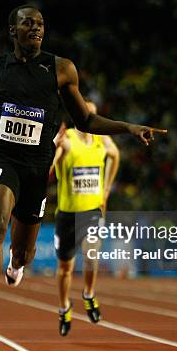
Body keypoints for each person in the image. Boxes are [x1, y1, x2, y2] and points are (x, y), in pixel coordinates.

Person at [0, 4, 166, 348]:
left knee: (24, 252)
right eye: (28, 23)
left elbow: (85, 121)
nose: (36, 28)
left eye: (41, 23)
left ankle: (16, 264)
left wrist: (128, 127)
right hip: (2, 157)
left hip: (36, 168)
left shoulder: (60, 69)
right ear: (12, 31)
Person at [50, 101, 120, 336]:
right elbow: (50, 168)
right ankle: (63, 308)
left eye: (93, 114)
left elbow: (115, 155)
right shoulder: (68, 139)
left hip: (92, 211)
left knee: (92, 255)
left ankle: (89, 294)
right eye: (86, 113)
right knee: (65, 269)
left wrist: (107, 189)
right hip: (68, 215)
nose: (90, 117)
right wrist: (53, 147)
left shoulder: (102, 139)